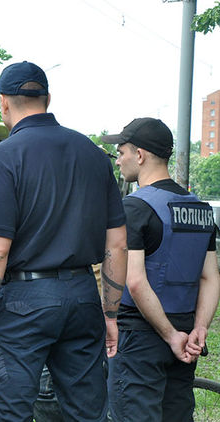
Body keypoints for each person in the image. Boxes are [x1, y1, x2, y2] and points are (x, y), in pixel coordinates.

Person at [0, 61, 128, 421]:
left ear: (3, 102)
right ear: (47, 99)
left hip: (24, 302)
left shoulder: (5, 156)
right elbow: (117, 245)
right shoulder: (94, 155)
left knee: (7, 412)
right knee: (87, 414)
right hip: (82, 296)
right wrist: (110, 314)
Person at [103, 117, 220, 421]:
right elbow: (211, 277)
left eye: (122, 152)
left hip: (141, 336)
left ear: (140, 155)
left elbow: (135, 282)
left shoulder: (134, 208)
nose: (119, 160)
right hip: (187, 334)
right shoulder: (200, 209)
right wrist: (199, 329)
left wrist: (169, 335)